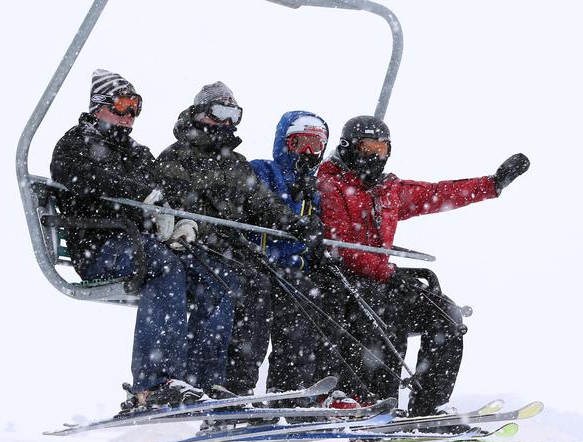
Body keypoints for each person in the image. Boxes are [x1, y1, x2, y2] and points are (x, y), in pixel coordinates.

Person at [317, 115, 530, 416]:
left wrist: (492, 185)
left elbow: (436, 194)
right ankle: (377, 401)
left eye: (381, 150)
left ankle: (429, 405)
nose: (375, 157)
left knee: (446, 314)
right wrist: (387, 273)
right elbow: (340, 246)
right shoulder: (331, 184)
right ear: (349, 147)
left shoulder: (387, 190)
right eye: (368, 149)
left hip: (382, 279)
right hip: (343, 278)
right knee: (385, 312)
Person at [50, 69, 233, 413]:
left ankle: (199, 383)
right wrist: (142, 196)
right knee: (164, 266)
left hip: (139, 244)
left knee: (215, 279)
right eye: (122, 106)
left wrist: (183, 222)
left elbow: (168, 191)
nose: (129, 116)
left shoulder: (137, 152)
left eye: (135, 107)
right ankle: (152, 384)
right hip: (100, 246)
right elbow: (83, 177)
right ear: (99, 106)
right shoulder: (76, 143)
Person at [151, 84, 324, 397]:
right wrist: (210, 234)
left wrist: (296, 224)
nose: (228, 122)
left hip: (228, 252)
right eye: (221, 113)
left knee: (273, 286)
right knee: (231, 286)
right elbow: (181, 205)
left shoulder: (235, 162)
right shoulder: (177, 157)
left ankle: (244, 386)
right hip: (190, 247)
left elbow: (262, 202)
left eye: (235, 115)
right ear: (200, 113)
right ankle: (203, 380)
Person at [223, 111, 353, 406]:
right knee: (253, 320)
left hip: (292, 272)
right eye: (300, 144)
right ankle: (238, 390)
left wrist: (320, 247)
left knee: (306, 314)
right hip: (257, 264)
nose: (307, 153)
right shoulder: (262, 170)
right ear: (285, 144)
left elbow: (315, 230)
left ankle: (289, 393)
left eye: (315, 146)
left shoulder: (313, 189)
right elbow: (254, 206)